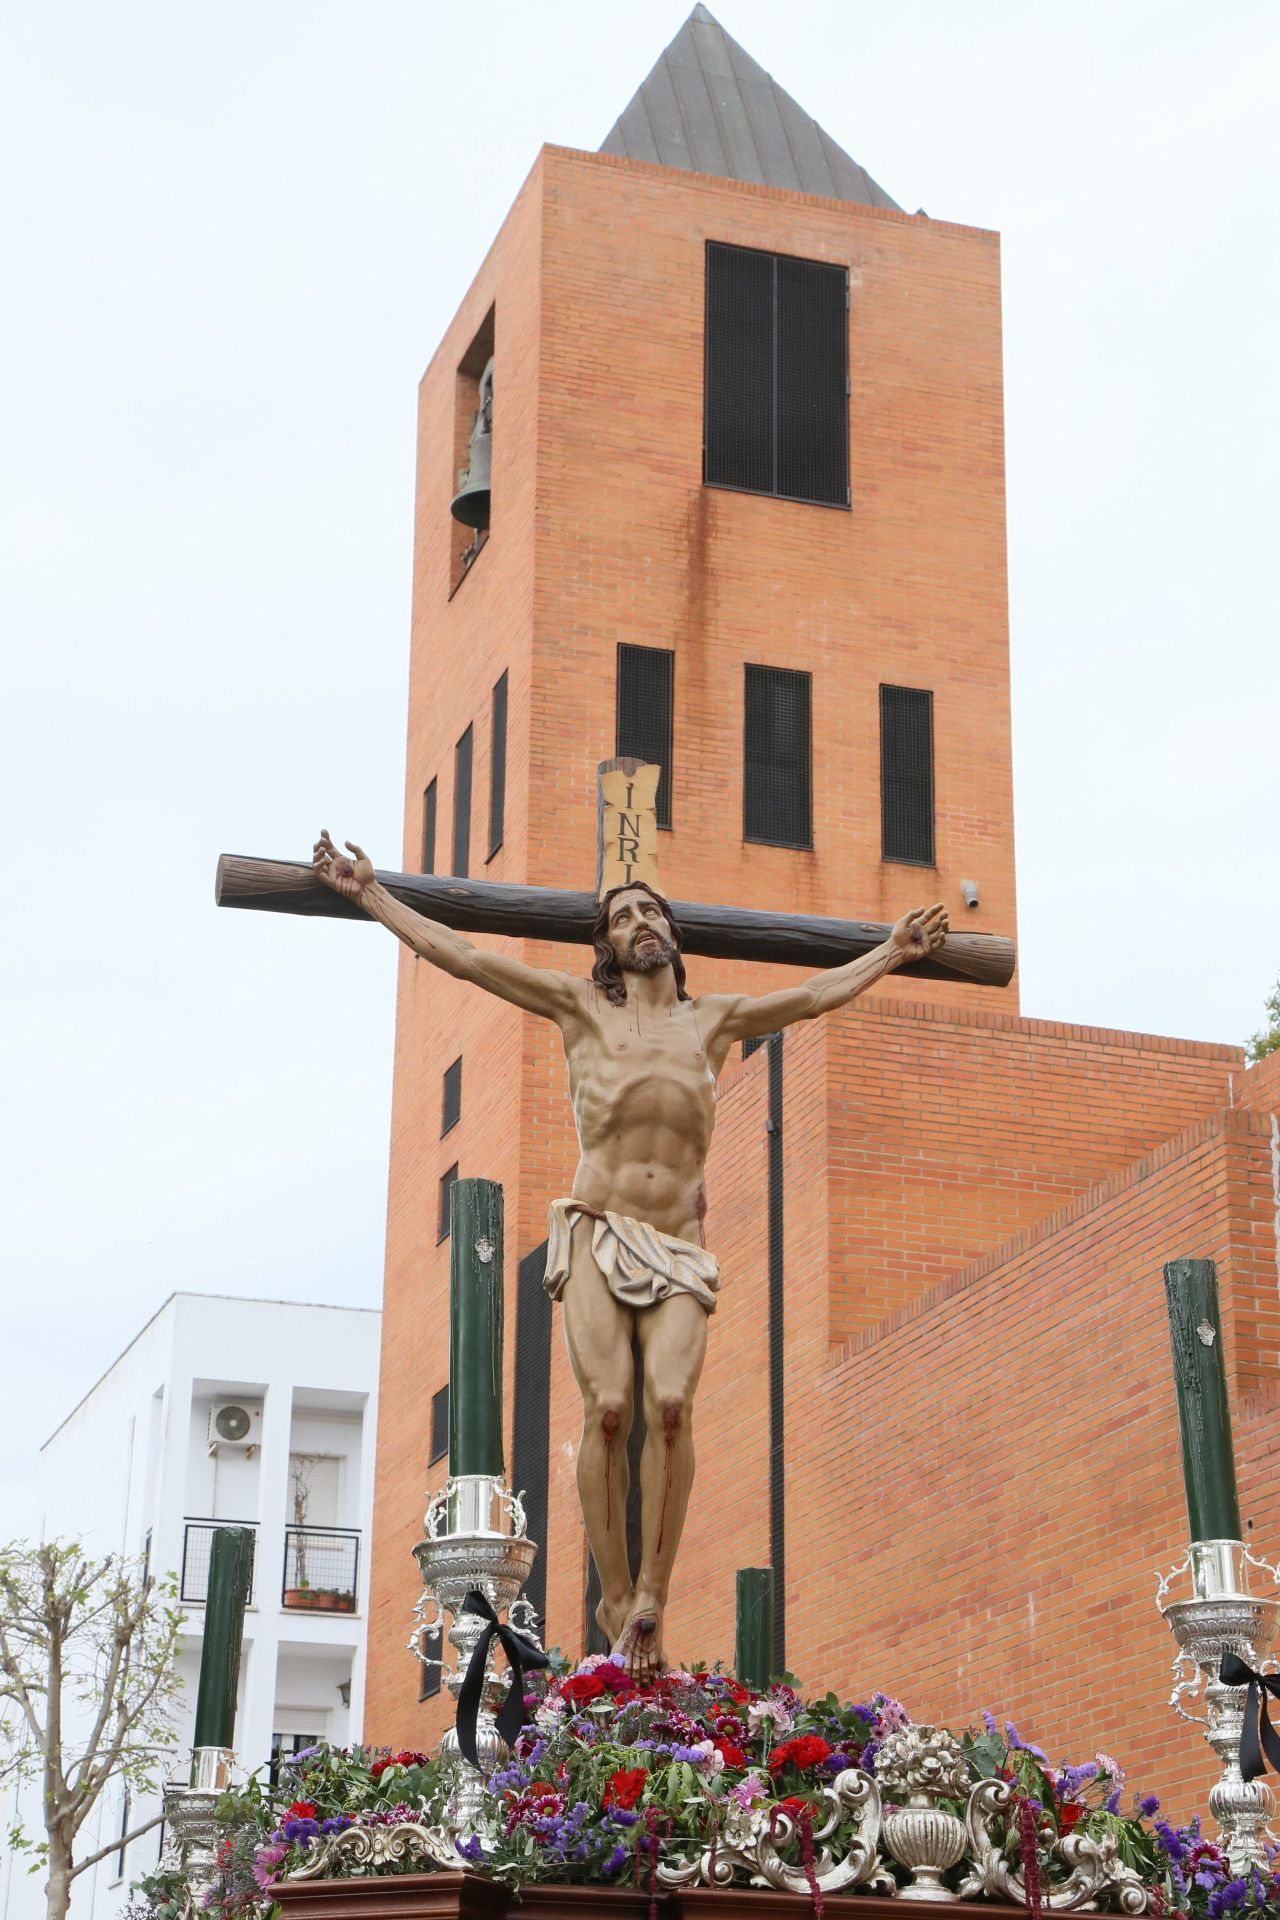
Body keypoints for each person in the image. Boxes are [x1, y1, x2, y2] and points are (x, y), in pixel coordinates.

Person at [312, 830, 948, 1680]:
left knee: (673, 1404)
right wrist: (372, 895)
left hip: (679, 1246)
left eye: (652, 911)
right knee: (609, 1410)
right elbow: (462, 957)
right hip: (599, 1231)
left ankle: (653, 1593)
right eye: (624, 916)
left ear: (673, 934)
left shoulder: (713, 1020)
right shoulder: (582, 1011)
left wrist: (892, 952)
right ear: (607, 945)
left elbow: (811, 996)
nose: (641, 921)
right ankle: (616, 1600)